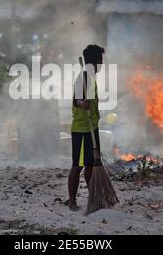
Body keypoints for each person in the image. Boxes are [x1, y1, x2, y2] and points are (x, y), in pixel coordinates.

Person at [67, 44, 104, 211]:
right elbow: (76, 99)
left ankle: (94, 198)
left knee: (91, 164)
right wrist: (82, 103)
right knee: (78, 165)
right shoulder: (82, 78)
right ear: (96, 61)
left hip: (92, 128)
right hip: (81, 130)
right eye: (100, 61)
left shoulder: (91, 78)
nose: (101, 65)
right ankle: (72, 201)